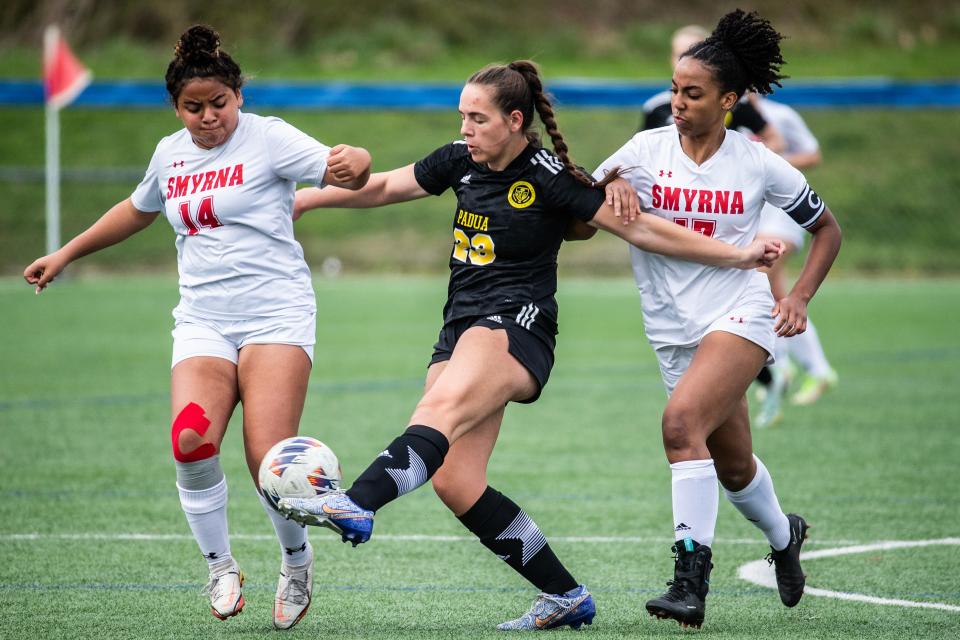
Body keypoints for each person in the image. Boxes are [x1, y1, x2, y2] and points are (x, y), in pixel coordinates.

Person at [278, 60, 781, 631]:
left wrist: (739, 254)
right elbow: (388, 186)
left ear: (514, 121)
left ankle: (358, 502)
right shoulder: (458, 160)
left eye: (477, 118)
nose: (465, 128)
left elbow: (641, 229)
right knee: (455, 480)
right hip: (460, 325)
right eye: (461, 116)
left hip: (516, 326)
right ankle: (565, 595)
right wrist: (309, 200)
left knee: (436, 412)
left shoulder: (548, 176)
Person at [23, 25, 372, 629]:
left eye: (219, 104)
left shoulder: (270, 139)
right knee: (189, 440)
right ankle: (221, 566)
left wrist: (354, 161)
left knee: (271, 461)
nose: (208, 117)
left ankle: (296, 562)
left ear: (238, 97)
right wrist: (66, 252)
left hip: (276, 315)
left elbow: (349, 170)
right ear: (177, 108)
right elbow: (136, 210)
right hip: (204, 320)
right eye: (194, 107)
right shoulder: (169, 153)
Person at [593, 9, 842, 629]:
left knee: (680, 427)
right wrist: (609, 192)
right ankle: (787, 535)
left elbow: (827, 230)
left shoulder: (756, 161)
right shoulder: (642, 151)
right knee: (731, 467)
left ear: (729, 100)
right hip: (670, 329)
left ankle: (688, 581)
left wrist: (799, 298)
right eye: (675, 89)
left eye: (693, 93)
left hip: (740, 313)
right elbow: (575, 220)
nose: (677, 102)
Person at [751, 95, 838, 427]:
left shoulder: (780, 116)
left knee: (761, 275)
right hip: (752, 216)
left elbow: (813, 154)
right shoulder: (722, 117)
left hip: (782, 213)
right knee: (774, 293)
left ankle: (779, 367)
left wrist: (772, 163)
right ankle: (816, 370)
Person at [640, 24, 786, 155]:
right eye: (679, 54)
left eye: (694, 54)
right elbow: (642, 153)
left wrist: (738, 163)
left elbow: (776, 141)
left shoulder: (736, 104)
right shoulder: (655, 107)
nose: (685, 60)